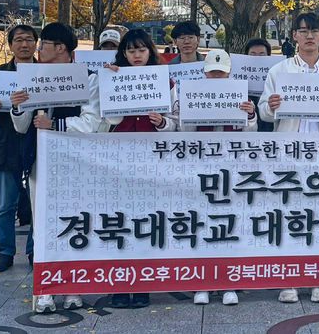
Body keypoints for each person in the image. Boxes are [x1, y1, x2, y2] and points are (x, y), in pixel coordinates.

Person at [259, 12, 319, 304]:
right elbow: (264, 111)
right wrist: (272, 106)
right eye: (304, 31)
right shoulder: (279, 71)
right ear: (294, 36)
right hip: (289, 151)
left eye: (315, 31)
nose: (310, 36)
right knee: (289, 214)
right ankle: (288, 279)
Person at [8, 23, 85, 313]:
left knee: (76, 223)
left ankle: (73, 286)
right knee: (43, 225)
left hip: (77, 164)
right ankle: (44, 290)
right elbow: (22, 126)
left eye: (43, 45)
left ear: (61, 48)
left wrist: (57, 125)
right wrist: (18, 107)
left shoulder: (87, 78)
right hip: (41, 162)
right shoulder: (32, 78)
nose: (38, 50)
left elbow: (95, 123)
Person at [104, 28, 178, 309]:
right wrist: (111, 85)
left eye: (141, 50)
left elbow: (176, 122)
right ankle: (121, 283)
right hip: (119, 155)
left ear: (150, 52)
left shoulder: (166, 81)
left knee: (146, 220)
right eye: (131, 50)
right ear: (124, 53)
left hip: (152, 157)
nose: (136, 55)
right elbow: (103, 120)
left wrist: (161, 122)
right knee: (120, 219)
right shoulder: (110, 78)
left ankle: (143, 282)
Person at [187, 49, 256, 306]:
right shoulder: (193, 93)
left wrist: (249, 115)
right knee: (202, 223)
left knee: (229, 224)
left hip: (231, 167)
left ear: (229, 72)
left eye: (221, 72)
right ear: (205, 72)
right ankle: (202, 282)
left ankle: (229, 282)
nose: (217, 76)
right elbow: (184, 131)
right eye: (212, 72)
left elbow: (251, 133)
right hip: (201, 165)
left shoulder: (242, 96)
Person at [0, 25, 38, 275]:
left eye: (29, 39)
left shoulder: (46, 73)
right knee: (5, 206)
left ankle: (35, 250)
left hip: (37, 143)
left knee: (37, 204)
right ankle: (5, 252)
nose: (24, 45)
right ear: (11, 45)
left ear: (36, 43)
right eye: (19, 40)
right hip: (6, 146)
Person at [244, 38, 275, 131]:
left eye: (262, 55)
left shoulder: (275, 77)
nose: (257, 58)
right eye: (252, 55)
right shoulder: (238, 78)